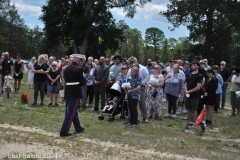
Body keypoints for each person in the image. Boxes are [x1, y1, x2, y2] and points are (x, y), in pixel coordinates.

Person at [60, 54, 86, 137]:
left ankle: (78, 127)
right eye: (80, 60)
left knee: (73, 110)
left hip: (67, 91)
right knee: (71, 111)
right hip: (75, 92)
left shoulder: (66, 68)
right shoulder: (79, 69)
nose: (81, 62)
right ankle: (64, 131)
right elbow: (82, 82)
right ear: (78, 60)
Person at [127, 56, 150, 123]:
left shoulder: (143, 68)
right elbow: (128, 77)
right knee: (132, 103)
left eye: (133, 62)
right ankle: (131, 117)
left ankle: (145, 117)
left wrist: (140, 83)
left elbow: (147, 77)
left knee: (142, 102)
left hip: (140, 87)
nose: (132, 63)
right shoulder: (130, 70)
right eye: (130, 62)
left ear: (136, 61)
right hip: (132, 89)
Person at [185, 61, 203, 129]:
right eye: (192, 65)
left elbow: (198, 87)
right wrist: (186, 90)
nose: (193, 66)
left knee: (194, 109)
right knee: (189, 109)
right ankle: (190, 122)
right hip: (188, 94)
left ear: (198, 66)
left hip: (195, 95)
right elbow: (186, 83)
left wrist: (189, 91)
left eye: (194, 65)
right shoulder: (189, 74)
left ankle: (195, 123)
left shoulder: (199, 75)